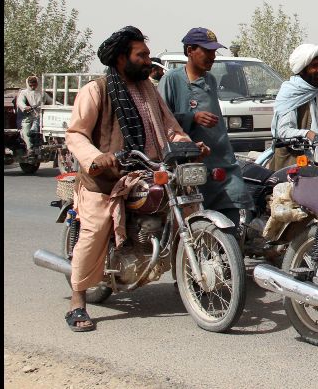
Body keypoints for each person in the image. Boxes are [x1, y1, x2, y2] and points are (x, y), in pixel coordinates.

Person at [64, 26, 203, 331]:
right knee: (98, 226)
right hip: (108, 178)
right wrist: (96, 158)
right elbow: (76, 134)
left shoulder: (149, 89)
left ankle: (185, 275)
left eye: (147, 55)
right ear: (121, 58)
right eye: (141, 55)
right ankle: (77, 302)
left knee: (186, 209)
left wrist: (186, 143)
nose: (147, 60)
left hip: (149, 170)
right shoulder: (96, 89)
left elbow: (169, 127)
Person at [158, 27, 254, 236]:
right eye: (207, 51)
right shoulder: (172, 80)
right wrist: (193, 117)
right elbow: (161, 121)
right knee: (193, 221)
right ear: (190, 50)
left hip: (221, 160)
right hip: (190, 163)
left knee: (233, 204)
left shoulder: (210, 80)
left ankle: (231, 259)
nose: (212, 56)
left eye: (214, 51)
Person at [16, 75, 52, 153]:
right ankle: (30, 148)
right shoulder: (24, 92)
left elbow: (51, 101)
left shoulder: (42, 93)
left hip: (40, 115)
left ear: (37, 84)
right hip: (29, 115)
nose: (32, 87)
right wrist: (25, 107)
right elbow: (20, 102)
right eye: (30, 85)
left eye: (34, 85)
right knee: (26, 128)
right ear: (28, 84)